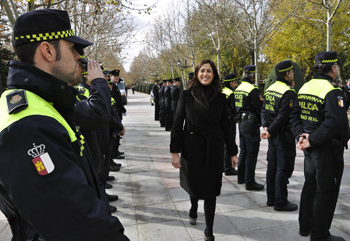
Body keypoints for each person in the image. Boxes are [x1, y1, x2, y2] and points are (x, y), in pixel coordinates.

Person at [0, 9, 128, 240]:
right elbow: (78, 224)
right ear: (48, 50)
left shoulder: (44, 100)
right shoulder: (28, 124)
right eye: (71, 48)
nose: (78, 57)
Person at [171, 59, 239, 241]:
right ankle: (193, 208)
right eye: (202, 71)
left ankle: (209, 231)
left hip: (213, 149)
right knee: (194, 185)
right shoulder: (186, 95)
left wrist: (233, 152)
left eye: (209, 71)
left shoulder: (221, 97)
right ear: (197, 73)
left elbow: (226, 126)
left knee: (211, 190)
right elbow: (177, 124)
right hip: (192, 147)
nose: (205, 74)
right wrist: (174, 152)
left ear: (214, 74)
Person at [290, 51, 350, 241]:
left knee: (310, 186)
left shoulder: (305, 87)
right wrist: (312, 139)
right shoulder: (333, 90)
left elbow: (295, 116)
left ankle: (305, 227)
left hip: (310, 148)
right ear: (333, 68)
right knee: (326, 192)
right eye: (337, 67)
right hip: (327, 150)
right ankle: (320, 235)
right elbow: (335, 122)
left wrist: (302, 136)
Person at [260, 60, 298, 211]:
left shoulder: (270, 89)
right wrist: (270, 131)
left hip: (272, 135)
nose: (293, 74)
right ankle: (281, 201)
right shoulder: (289, 92)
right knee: (283, 168)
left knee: (273, 166)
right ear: (287, 74)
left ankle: (271, 198)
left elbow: (264, 110)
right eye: (292, 72)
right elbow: (283, 116)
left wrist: (266, 128)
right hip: (283, 136)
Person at [234, 65, 264, 190]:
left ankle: (241, 177)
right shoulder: (252, 89)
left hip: (241, 122)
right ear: (253, 75)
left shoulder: (238, 88)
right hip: (251, 123)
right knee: (252, 152)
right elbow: (258, 107)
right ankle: (250, 181)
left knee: (244, 151)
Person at [222, 73, 238, 176]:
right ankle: (228, 168)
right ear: (231, 82)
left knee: (223, 143)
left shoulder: (222, 91)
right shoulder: (231, 93)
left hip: (222, 121)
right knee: (229, 142)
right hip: (230, 121)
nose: (235, 84)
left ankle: (224, 166)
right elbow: (234, 108)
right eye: (235, 82)